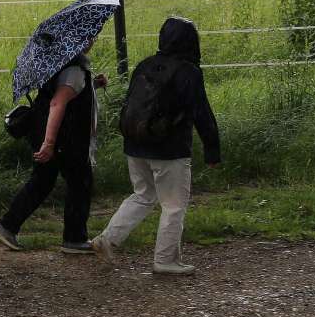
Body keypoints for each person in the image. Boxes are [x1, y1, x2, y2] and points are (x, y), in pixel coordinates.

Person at [91, 17, 221, 275]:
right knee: (173, 205)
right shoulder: (189, 72)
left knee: (143, 195)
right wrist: (212, 149)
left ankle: (107, 239)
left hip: (135, 144)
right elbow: (201, 112)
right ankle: (165, 260)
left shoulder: (144, 65)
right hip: (170, 149)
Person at [0, 46, 106, 254]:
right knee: (80, 183)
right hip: (65, 139)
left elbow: (67, 94)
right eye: (89, 38)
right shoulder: (75, 70)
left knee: (42, 181)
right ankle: (74, 239)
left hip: (44, 131)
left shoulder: (57, 64)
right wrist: (49, 143)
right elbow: (58, 103)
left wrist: (93, 85)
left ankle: (7, 226)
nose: (92, 41)